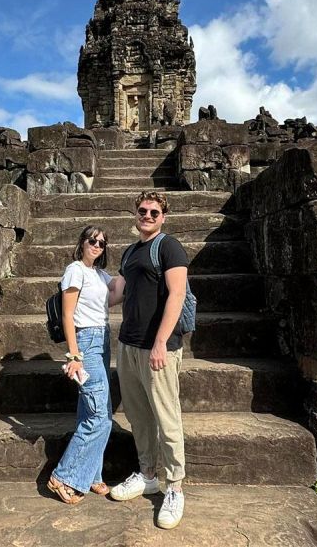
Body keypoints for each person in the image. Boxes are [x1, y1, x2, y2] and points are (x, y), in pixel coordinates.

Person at [109, 190, 188, 529]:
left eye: (154, 212)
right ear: (135, 213)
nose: (147, 216)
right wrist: (74, 298)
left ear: (163, 217)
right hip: (128, 345)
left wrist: (159, 342)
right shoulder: (129, 252)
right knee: (139, 416)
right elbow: (116, 293)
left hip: (159, 347)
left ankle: (174, 488)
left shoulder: (168, 247)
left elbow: (178, 294)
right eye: (142, 210)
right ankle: (148, 474)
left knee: (167, 418)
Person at [47, 225, 114, 505]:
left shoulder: (99, 274)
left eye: (101, 243)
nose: (97, 245)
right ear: (82, 243)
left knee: (92, 410)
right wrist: (74, 356)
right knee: (100, 416)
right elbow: (68, 314)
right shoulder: (75, 269)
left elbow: (118, 292)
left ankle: (92, 475)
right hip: (86, 342)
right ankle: (64, 476)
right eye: (92, 240)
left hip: (103, 338)